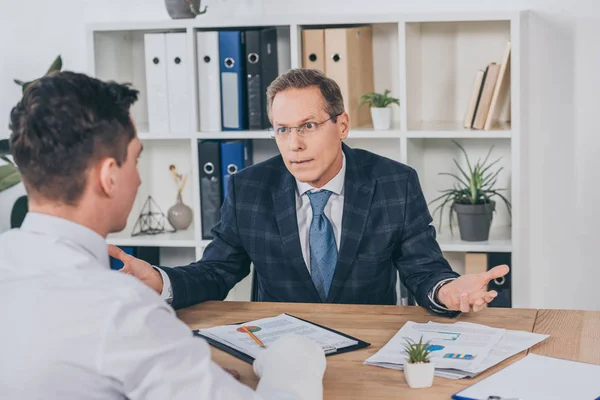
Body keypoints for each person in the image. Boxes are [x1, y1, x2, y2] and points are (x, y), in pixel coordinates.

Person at [0, 71, 326, 400]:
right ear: (108, 176)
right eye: (137, 159)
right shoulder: (121, 311)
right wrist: (295, 356)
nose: (140, 180)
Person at [113, 68, 509, 317]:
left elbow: (423, 270)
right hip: (279, 347)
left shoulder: (394, 182)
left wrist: (447, 290)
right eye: (282, 129)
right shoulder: (249, 188)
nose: (293, 144)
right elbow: (217, 271)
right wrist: (162, 281)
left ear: (342, 125)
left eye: (307, 126)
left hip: (369, 347)